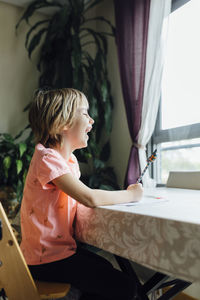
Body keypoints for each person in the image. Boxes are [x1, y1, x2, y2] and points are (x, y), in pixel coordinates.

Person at [20, 88, 143, 300]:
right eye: (85, 113)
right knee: (126, 287)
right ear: (62, 123)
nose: (92, 120)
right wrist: (131, 195)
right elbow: (89, 197)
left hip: (53, 255)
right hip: (45, 260)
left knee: (105, 269)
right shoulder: (47, 158)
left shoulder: (68, 162)